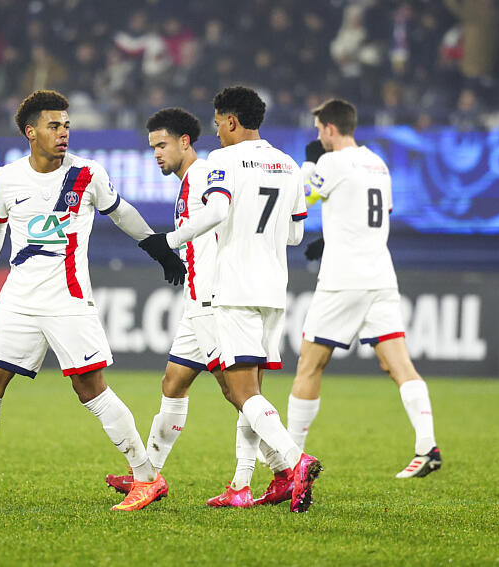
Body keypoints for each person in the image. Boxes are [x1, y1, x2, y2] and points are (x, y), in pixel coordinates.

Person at [0, 89, 187, 512]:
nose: (63, 133)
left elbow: (121, 211)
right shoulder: (6, 178)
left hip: (68, 299)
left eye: (67, 125)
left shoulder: (87, 174)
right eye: (54, 126)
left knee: (89, 387)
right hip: (18, 300)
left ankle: (146, 477)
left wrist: (158, 247)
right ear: (31, 132)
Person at [140, 87, 322, 512]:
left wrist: (171, 240)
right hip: (274, 289)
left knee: (242, 392)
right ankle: (247, 482)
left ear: (232, 121)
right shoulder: (288, 163)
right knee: (246, 390)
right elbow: (295, 234)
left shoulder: (223, 161)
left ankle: (295, 460)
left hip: (234, 286)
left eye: (219, 124)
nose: (216, 133)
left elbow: (218, 212)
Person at [287, 98, 441, 478]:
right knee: (398, 364)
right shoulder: (378, 163)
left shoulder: (332, 162)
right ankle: (427, 447)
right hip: (380, 276)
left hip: (343, 280)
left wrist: (309, 164)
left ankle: (289, 461)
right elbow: (375, 215)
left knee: (309, 365)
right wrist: (331, 236)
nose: (317, 135)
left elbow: (302, 199)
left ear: (330, 129)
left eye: (318, 128)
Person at [105, 107, 247, 504]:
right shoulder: (188, 182)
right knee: (174, 382)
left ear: (185, 141)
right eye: (152, 147)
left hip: (212, 301)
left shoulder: (202, 175)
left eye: (162, 144)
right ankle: (149, 474)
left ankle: (286, 463)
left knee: (237, 390)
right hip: (196, 299)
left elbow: (220, 223)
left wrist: (170, 244)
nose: (156, 154)